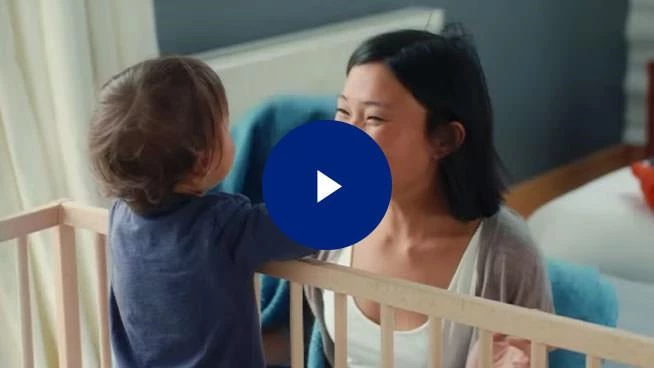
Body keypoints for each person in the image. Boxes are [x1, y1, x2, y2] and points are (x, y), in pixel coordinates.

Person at [264, 25, 554, 368]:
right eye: (343, 112)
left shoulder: (505, 256)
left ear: (444, 139)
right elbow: (287, 336)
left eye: (374, 118)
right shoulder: (326, 222)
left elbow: (525, 356)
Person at [88, 56, 314, 368]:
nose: (231, 131)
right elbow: (304, 227)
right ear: (202, 159)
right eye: (225, 125)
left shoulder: (119, 218)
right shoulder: (223, 225)